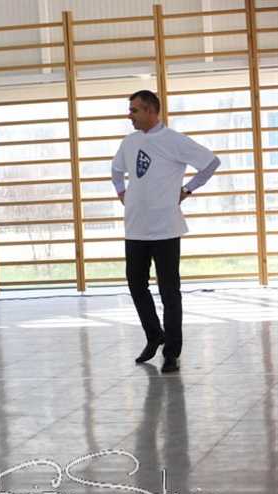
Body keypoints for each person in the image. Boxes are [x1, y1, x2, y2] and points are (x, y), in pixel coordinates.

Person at [112, 90, 220, 373]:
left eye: (134, 110)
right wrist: (121, 192)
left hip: (166, 229)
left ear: (150, 111)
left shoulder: (174, 140)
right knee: (136, 285)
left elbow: (211, 163)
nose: (130, 115)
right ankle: (154, 335)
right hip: (135, 228)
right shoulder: (129, 142)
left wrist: (187, 190)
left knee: (169, 291)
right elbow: (116, 170)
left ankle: (171, 352)